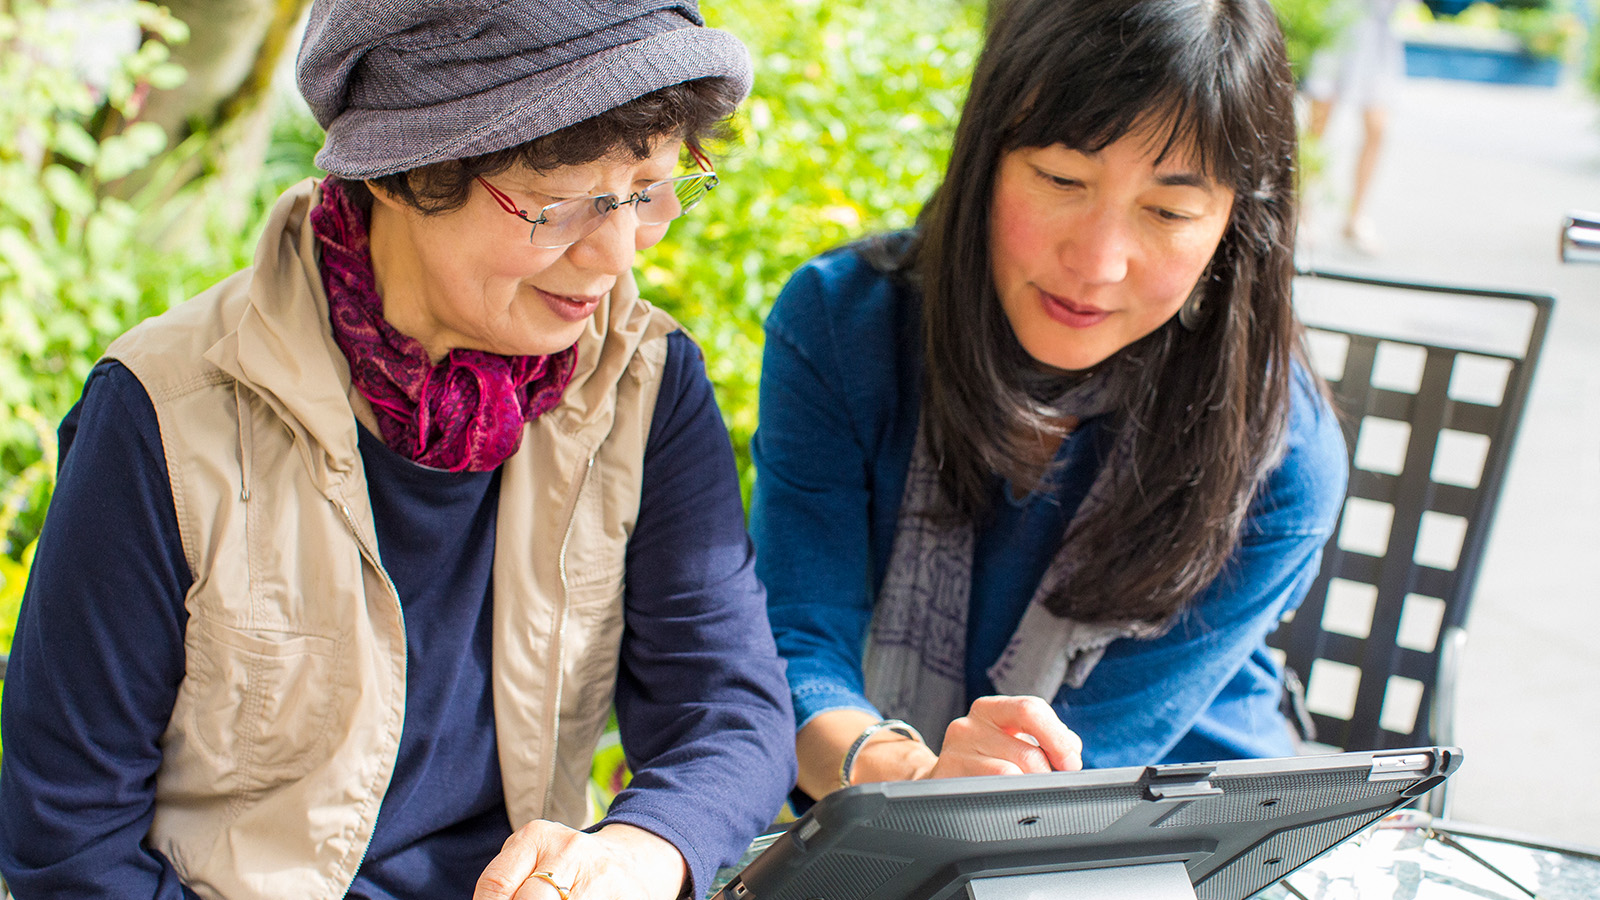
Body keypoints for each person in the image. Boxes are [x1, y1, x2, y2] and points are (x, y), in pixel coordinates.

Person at [0, 1, 797, 898]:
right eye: (565, 205)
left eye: (648, 192)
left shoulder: (640, 381)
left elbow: (727, 711)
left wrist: (640, 850)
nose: (616, 255)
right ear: (403, 171)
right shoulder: (167, 414)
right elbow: (68, 841)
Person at [750, 0, 1350, 803]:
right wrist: (908, 778)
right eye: (1063, 179)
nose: (1098, 262)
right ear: (985, 156)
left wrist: (941, 802)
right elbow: (794, 642)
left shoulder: (1277, 455)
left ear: (1236, 224)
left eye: (1169, 211)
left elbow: (1079, 785)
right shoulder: (844, 327)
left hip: (1181, 828)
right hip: (870, 813)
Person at [1304, 0, 1407, 255]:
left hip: (1378, 34)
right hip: (1337, 22)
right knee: (1318, 124)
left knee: (1378, 126)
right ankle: (1302, 211)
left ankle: (1356, 218)